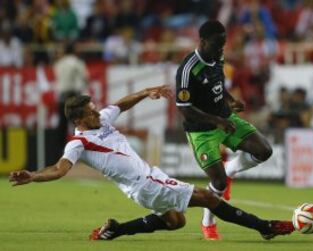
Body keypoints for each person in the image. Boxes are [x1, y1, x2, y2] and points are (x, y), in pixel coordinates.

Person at [9, 85, 294, 241]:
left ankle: (115, 230)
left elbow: (121, 104)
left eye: (95, 109)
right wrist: (33, 176)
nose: (98, 114)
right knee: (208, 197)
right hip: (144, 183)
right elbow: (59, 170)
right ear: (79, 121)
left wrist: (146, 93)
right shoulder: (77, 143)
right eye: (91, 113)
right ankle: (264, 227)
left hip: (141, 187)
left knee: (175, 221)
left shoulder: (103, 120)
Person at [175, 20, 273, 240]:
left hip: (225, 117)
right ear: (203, 41)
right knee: (217, 183)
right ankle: (207, 222)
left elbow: (218, 84)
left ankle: (231, 169)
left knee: (264, 150)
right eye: (218, 45)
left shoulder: (216, 56)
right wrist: (217, 121)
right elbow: (185, 109)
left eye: (223, 45)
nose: (221, 50)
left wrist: (230, 100)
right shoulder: (188, 69)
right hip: (201, 130)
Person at [54, 42, 89, 154]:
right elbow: (86, 78)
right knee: (77, 124)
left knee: (62, 126)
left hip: (62, 97)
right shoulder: (77, 62)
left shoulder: (59, 63)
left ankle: (61, 152)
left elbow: (57, 76)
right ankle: (79, 152)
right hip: (73, 96)